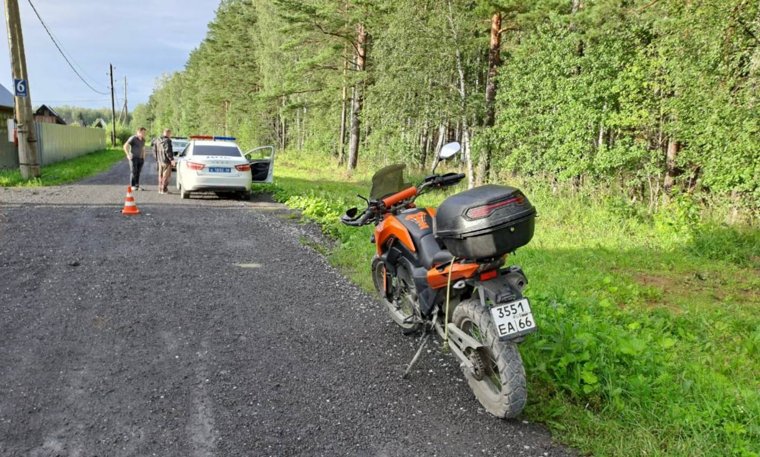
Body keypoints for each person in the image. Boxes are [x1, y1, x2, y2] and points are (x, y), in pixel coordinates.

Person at [154, 129, 174, 194]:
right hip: (166, 161)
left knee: (160, 175)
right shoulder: (168, 141)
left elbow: (154, 150)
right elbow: (168, 151)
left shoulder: (157, 140)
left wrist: (157, 158)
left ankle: (160, 189)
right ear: (168, 133)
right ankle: (164, 189)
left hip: (160, 161)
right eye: (170, 133)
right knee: (166, 176)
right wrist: (172, 159)